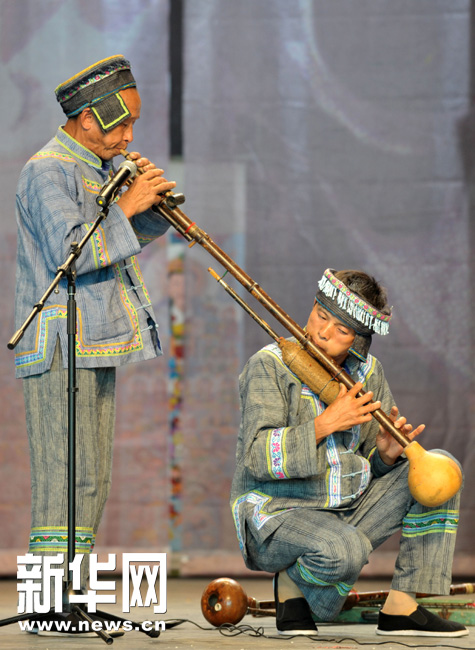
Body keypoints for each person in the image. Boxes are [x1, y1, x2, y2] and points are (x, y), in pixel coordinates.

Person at [14, 55, 175, 630]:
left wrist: (153, 210)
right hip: (59, 341)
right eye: (120, 122)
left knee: (90, 477)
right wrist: (128, 208)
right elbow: (73, 253)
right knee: (62, 473)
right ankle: (43, 601)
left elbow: (120, 240)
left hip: (94, 342)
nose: (130, 135)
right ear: (86, 118)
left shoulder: (97, 166)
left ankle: (68, 595)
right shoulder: (47, 171)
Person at [230, 268, 468, 638]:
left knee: (440, 474)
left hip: (342, 511)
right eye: (320, 316)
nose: (323, 332)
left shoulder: (368, 372)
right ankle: (291, 585)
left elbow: (364, 465)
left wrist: (386, 455)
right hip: (277, 515)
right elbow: (256, 458)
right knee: (344, 551)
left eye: (341, 330)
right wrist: (325, 424)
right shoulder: (269, 365)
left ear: (358, 342)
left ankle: (401, 606)